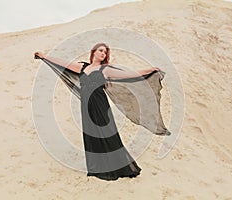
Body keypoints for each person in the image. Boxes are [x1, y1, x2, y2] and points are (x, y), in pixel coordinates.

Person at [34, 43, 166, 181]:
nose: (103, 53)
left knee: (107, 133)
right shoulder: (82, 67)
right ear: (94, 52)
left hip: (100, 104)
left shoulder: (105, 69)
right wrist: (44, 56)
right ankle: (98, 167)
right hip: (86, 105)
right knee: (91, 134)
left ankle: (118, 166)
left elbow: (130, 74)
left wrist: (150, 70)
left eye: (105, 52)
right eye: (101, 51)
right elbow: (64, 64)